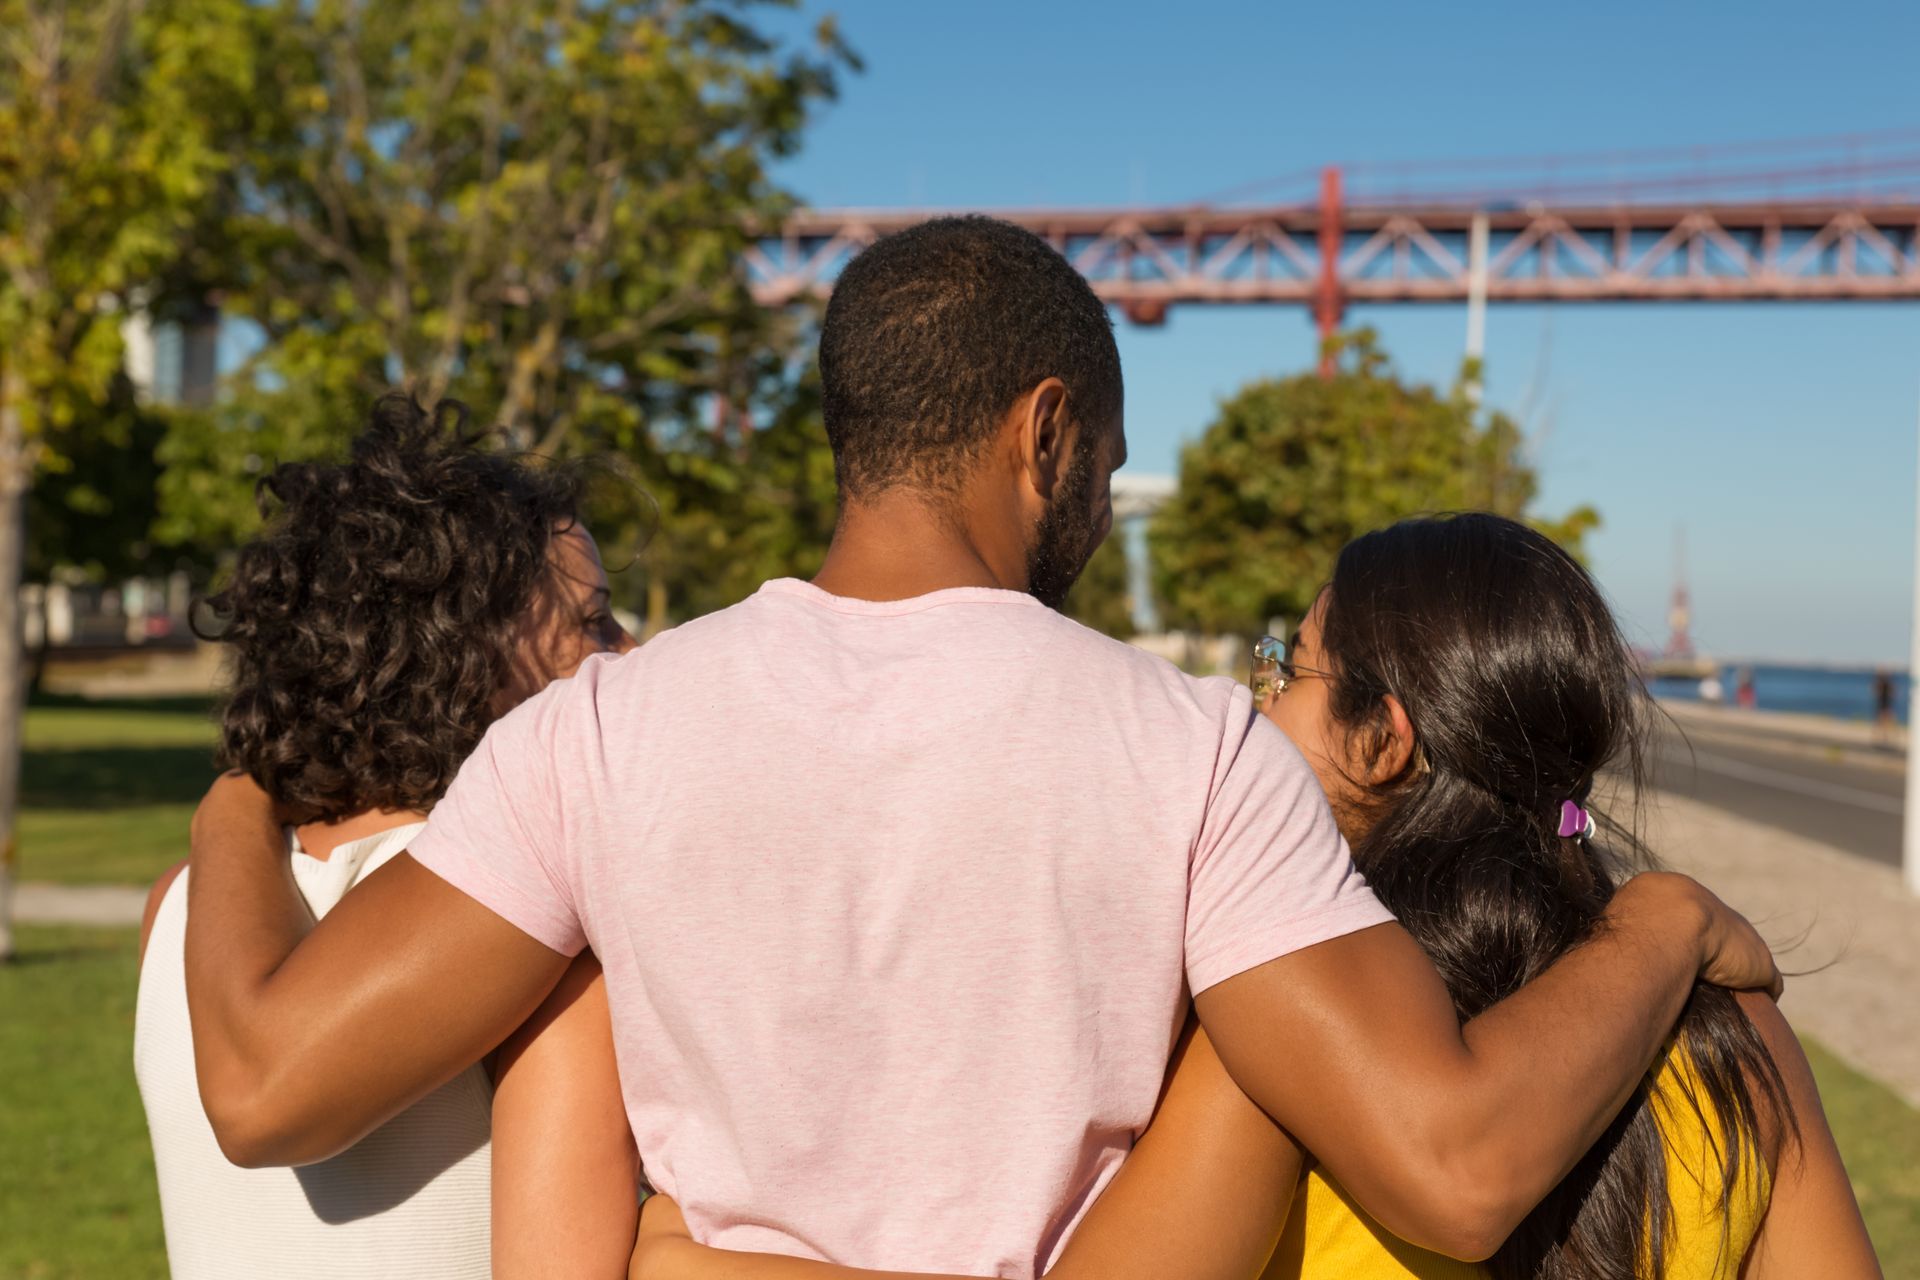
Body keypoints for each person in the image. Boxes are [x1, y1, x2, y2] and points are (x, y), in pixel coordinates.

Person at [181, 217, 1779, 1276]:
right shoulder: (1198, 755)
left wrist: (235, 801)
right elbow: (1456, 1162)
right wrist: (1657, 919)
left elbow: (266, 1088)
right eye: (1107, 461)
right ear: (1046, 434)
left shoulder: (596, 733)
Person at [630, 514, 1879, 1279]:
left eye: (1284, 664)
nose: (1245, 699)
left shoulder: (1291, 1040)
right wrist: (1659, 918)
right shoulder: (1737, 1039)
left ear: (1382, 739)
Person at [135, 395, 640, 1278]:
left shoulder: (178, 905)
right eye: (591, 620)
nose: (629, 653)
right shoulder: (540, 923)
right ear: (460, 650)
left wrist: (234, 799)